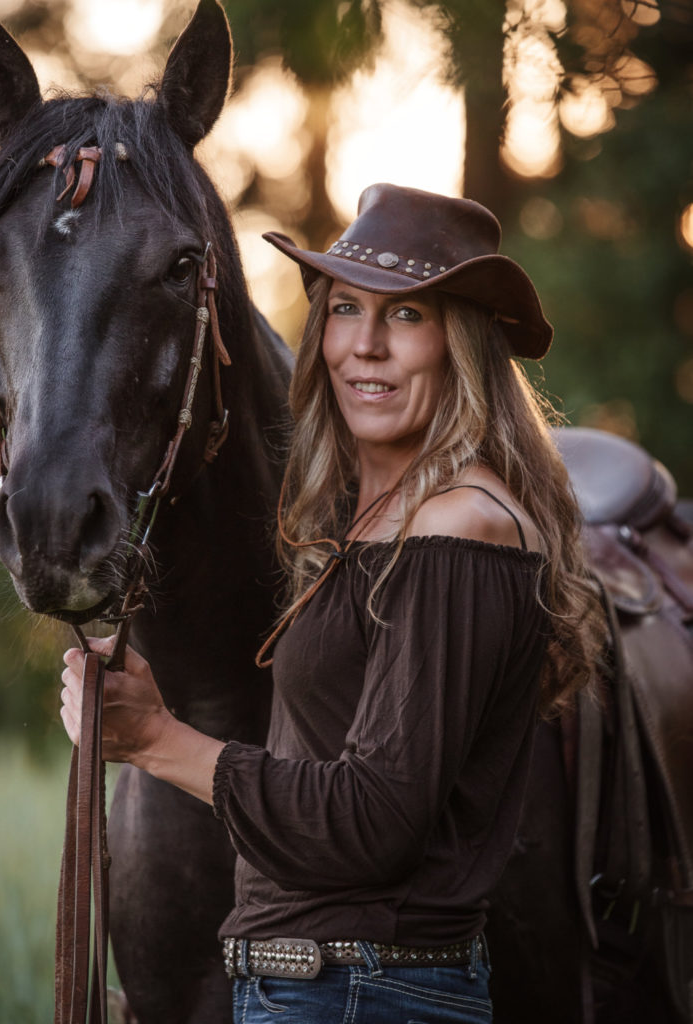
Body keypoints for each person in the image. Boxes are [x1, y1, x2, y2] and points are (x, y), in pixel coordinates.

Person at [60, 184, 603, 1022]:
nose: (366, 346)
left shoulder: (460, 525)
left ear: (462, 345)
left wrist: (157, 741)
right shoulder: (364, 527)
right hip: (323, 990)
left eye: (409, 316)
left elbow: (375, 817)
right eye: (346, 308)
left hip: (364, 992)